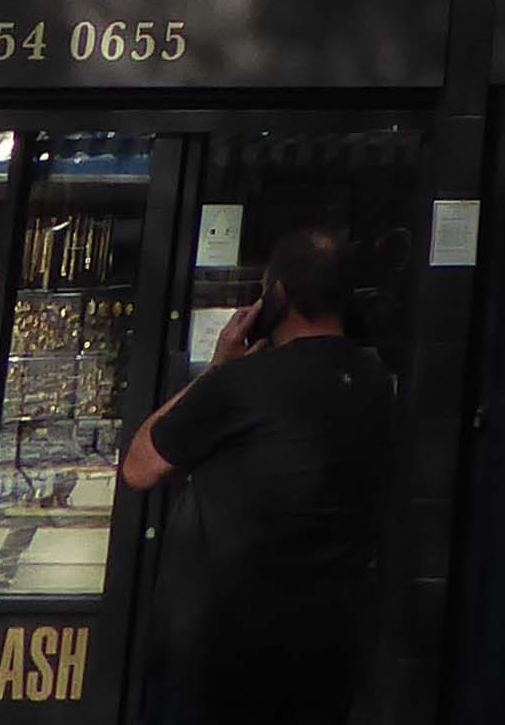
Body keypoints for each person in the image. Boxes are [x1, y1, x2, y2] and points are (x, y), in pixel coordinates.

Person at [121, 224, 396, 725]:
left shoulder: (242, 384)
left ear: (278, 297)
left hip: (219, 662)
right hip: (324, 658)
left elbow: (141, 466)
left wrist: (218, 367)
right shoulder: (376, 385)